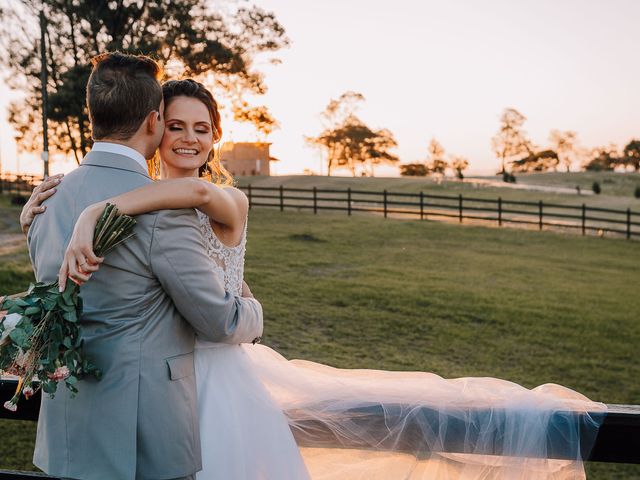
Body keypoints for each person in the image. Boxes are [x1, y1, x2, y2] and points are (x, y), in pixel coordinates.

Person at [22, 77, 606, 480]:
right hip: (162, 380)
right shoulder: (148, 202)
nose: (189, 139)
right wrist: (42, 209)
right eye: (175, 126)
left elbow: (197, 192)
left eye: (202, 128)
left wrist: (98, 209)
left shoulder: (223, 198)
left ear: (217, 137)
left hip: (219, 374)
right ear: (155, 129)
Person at [23, 52, 263, 480]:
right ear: (154, 122)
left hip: (65, 430)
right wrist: (255, 311)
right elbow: (220, 321)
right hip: (142, 436)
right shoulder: (165, 211)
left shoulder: (46, 198)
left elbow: (52, 290)